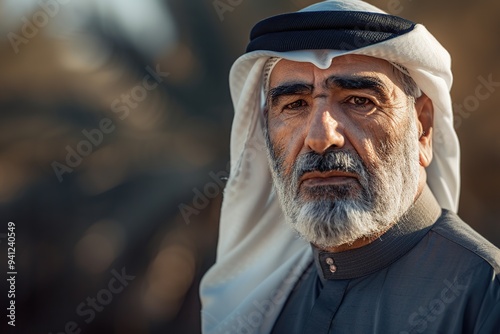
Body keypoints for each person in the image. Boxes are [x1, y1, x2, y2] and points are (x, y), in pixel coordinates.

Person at [200, 0, 500, 333]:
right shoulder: (266, 304)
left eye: (359, 101)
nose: (320, 137)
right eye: (295, 105)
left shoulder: (485, 295)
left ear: (423, 127)